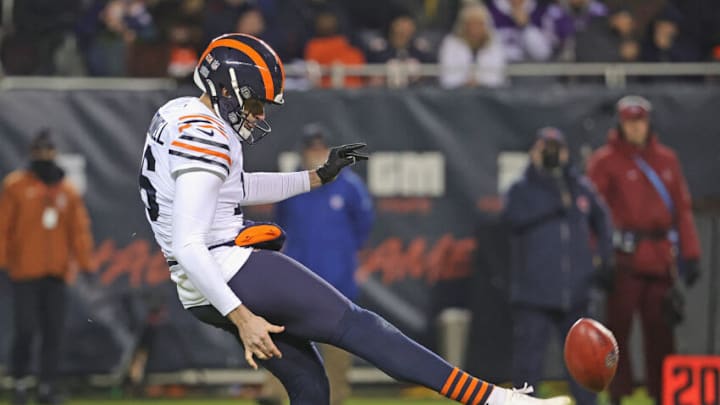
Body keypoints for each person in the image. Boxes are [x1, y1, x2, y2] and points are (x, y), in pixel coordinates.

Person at [137, 32, 571, 405]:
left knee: (310, 385)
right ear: (226, 89)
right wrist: (242, 317)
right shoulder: (205, 135)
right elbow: (189, 242)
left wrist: (315, 177)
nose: (261, 113)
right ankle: (497, 398)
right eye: (255, 101)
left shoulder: (178, 115)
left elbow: (235, 189)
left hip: (200, 283)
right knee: (361, 327)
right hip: (223, 267)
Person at [587, 96, 701, 405]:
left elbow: (682, 209)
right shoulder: (605, 161)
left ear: (648, 123)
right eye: (629, 121)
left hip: (660, 259)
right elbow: (593, 215)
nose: (635, 127)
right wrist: (598, 257)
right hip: (623, 260)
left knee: (661, 333)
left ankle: (664, 393)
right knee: (616, 336)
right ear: (620, 124)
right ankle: (618, 393)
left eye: (640, 121)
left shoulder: (667, 160)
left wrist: (690, 253)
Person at [260, 125, 374, 405]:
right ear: (303, 150)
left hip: (337, 278)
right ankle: (274, 394)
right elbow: (280, 225)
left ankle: (334, 399)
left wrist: (345, 259)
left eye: (320, 148)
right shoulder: (295, 182)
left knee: (336, 345)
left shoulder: (349, 186)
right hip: (296, 276)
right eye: (311, 148)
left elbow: (363, 227)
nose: (315, 153)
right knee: (284, 337)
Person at [503, 127, 613, 405]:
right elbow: (512, 218)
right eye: (545, 148)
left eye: (556, 148)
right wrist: (554, 197)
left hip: (576, 291)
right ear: (534, 152)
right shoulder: (522, 188)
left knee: (586, 361)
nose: (551, 154)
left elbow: (603, 220)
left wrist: (603, 257)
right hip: (534, 293)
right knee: (527, 365)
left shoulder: (579, 186)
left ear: (565, 153)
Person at [0, 130, 94, 405]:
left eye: (47, 150)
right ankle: (18, 382)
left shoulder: (66, 190)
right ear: (32, 152)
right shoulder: (16, 185)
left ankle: (46, 387)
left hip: (56, 272)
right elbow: (3, 227)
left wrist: (85, 263)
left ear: (54, 153)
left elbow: (78, 231)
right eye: (39, 150)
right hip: (24, 272)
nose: (43, 155)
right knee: (26, 330)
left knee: (53, 332)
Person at [438, 3, 506, 88]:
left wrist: (479, 81)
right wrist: (465, 81)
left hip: (489, 94)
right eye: (472, 23)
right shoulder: (451, 43)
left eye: (479, 24)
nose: (475, 28)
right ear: (464, 25)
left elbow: (498, 77)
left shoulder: (495, 43)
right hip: (457, 94)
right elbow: (447, 76)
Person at [486, 0, 573, 62]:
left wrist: (526, 26)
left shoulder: (544, 8)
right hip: (498, 73)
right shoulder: (487, 9)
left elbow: (543, 54)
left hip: (535, 74)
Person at [304, 9, 366, 88]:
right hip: (323, 94)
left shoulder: (353, 52)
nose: (326, 24)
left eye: (329, 22)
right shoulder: (313, 47)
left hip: (353, 94)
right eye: (323, 22)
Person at [574, 7, 640, 63]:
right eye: (624, 21)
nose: (626, 25)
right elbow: (588, 55)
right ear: (614, 18)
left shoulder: (628, 36)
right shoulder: (595, 29)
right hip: (591, 74)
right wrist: (619, 53)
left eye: (629, 23)